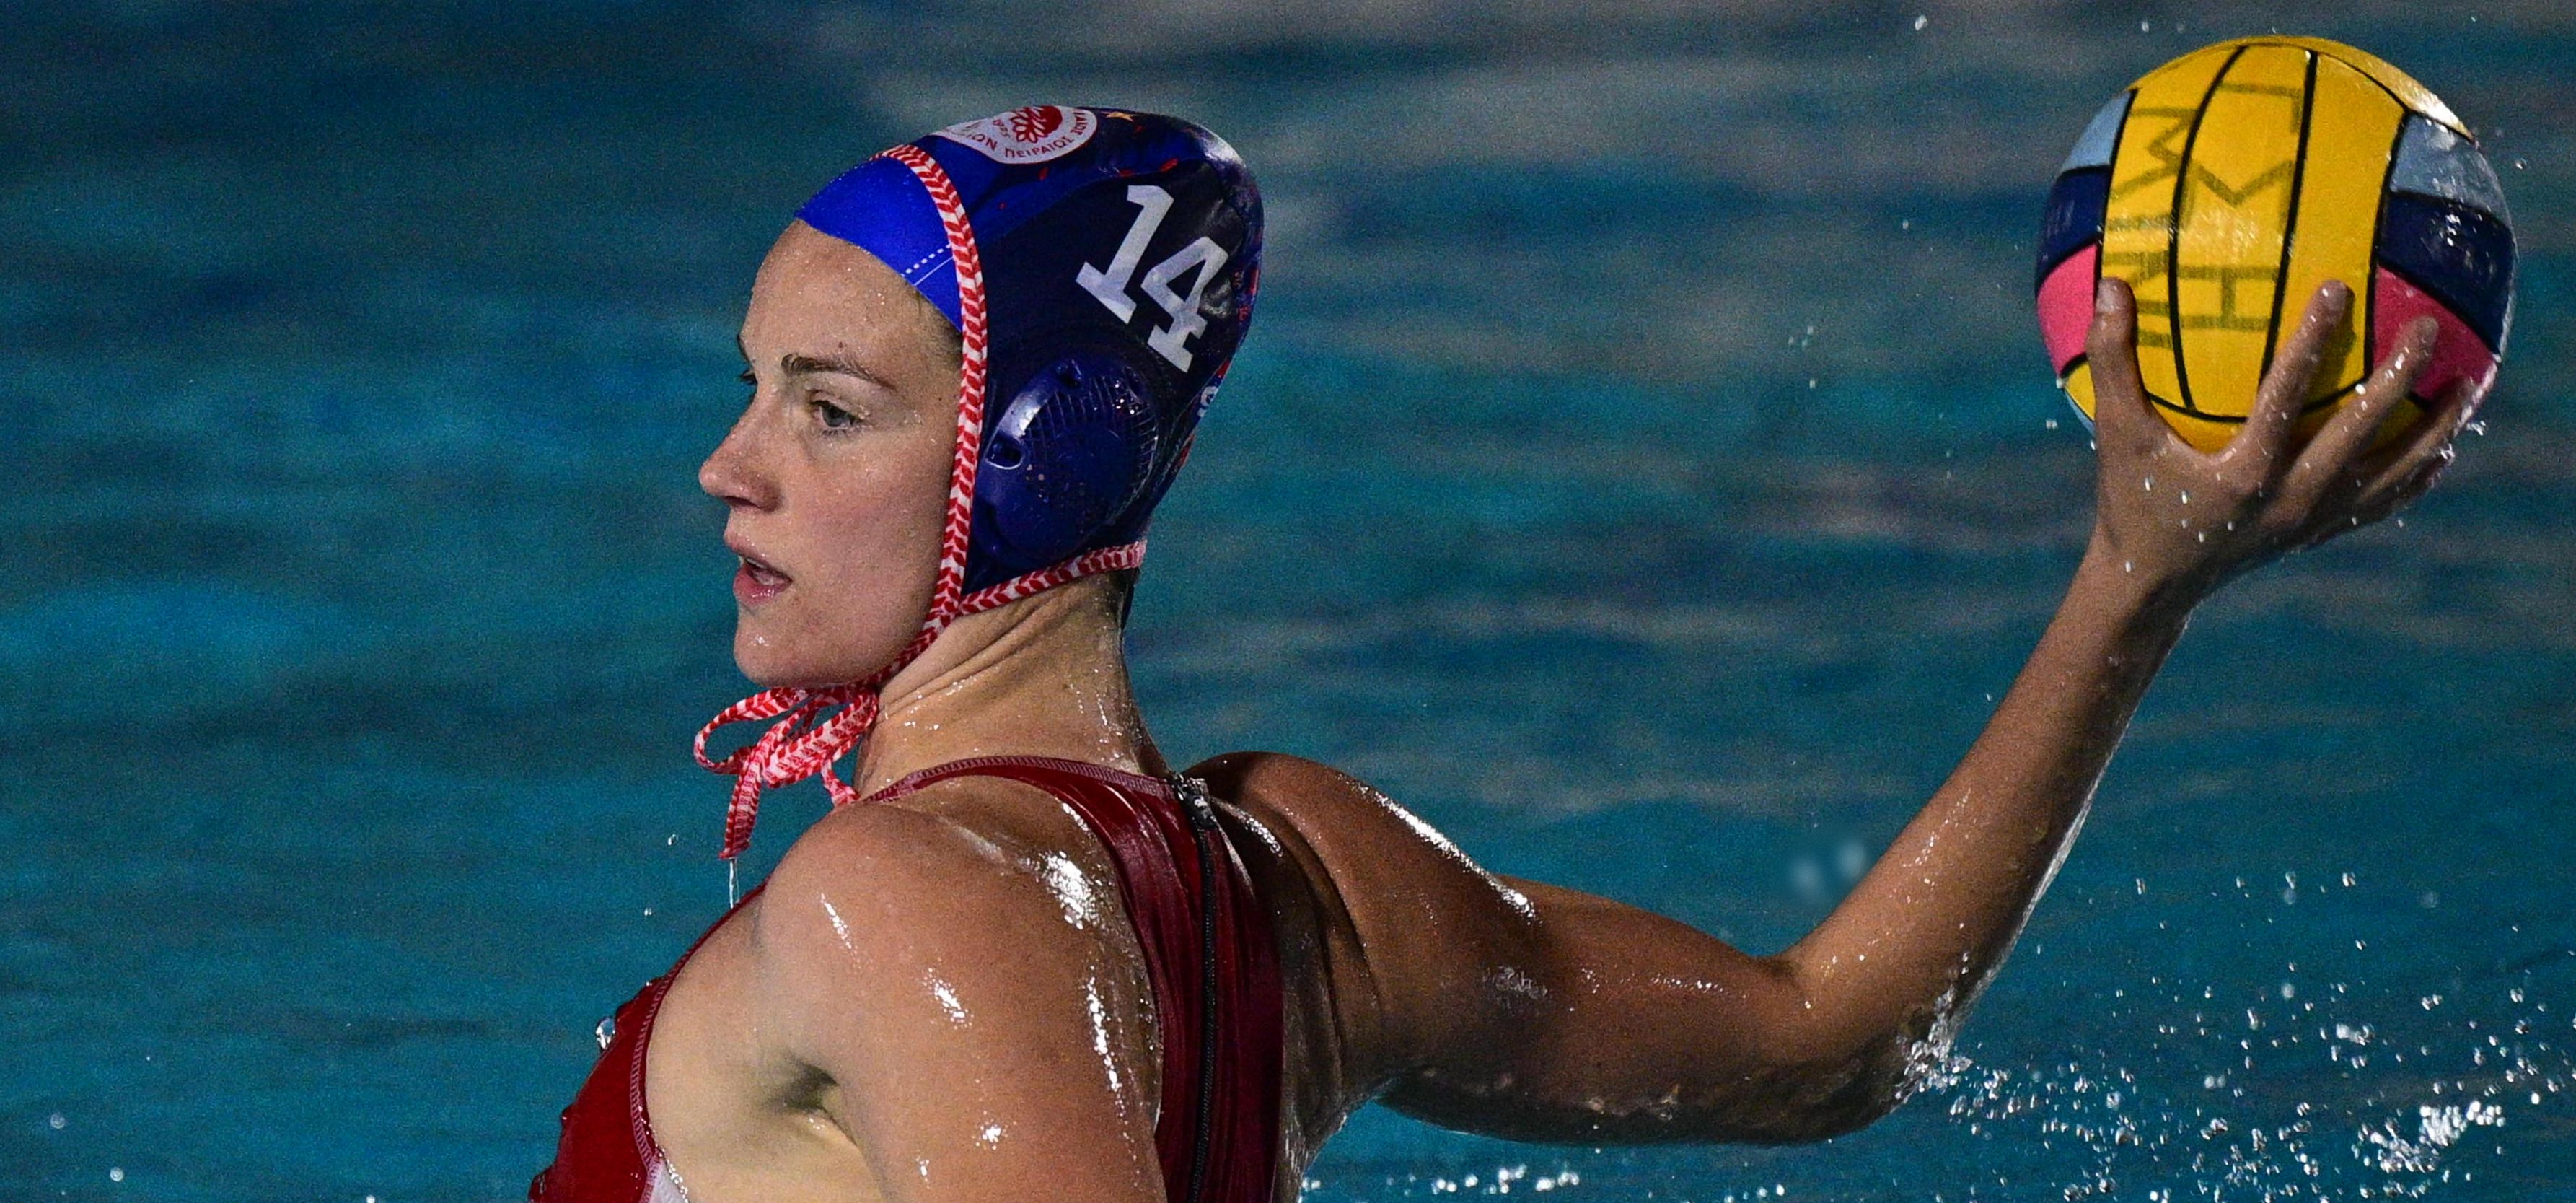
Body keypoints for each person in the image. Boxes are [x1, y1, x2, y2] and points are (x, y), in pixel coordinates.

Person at [530, 105, 2483, 1203]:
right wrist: (2128, 586)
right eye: (754, 391)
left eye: (830, 409)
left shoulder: (913, 899)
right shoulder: (1310, 878)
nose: (731, 467)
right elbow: (1824, 1047)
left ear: (1047, 455)